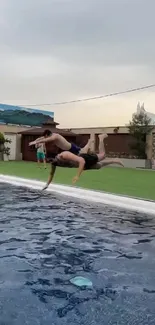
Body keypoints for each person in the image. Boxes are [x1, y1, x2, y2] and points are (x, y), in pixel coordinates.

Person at [42, 134, 124, 190]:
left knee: (102, 155)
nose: (51, 162)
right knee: (98, 166)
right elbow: (51, 174)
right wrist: (47, 185)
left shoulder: (63, 155)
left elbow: (81, 160)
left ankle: (101, 138)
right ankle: (114, 160)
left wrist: (77, 176)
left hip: (84, 159)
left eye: (51, 160)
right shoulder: (54, 163)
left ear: (55, 156)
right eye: (49, 161)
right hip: (82, 165)